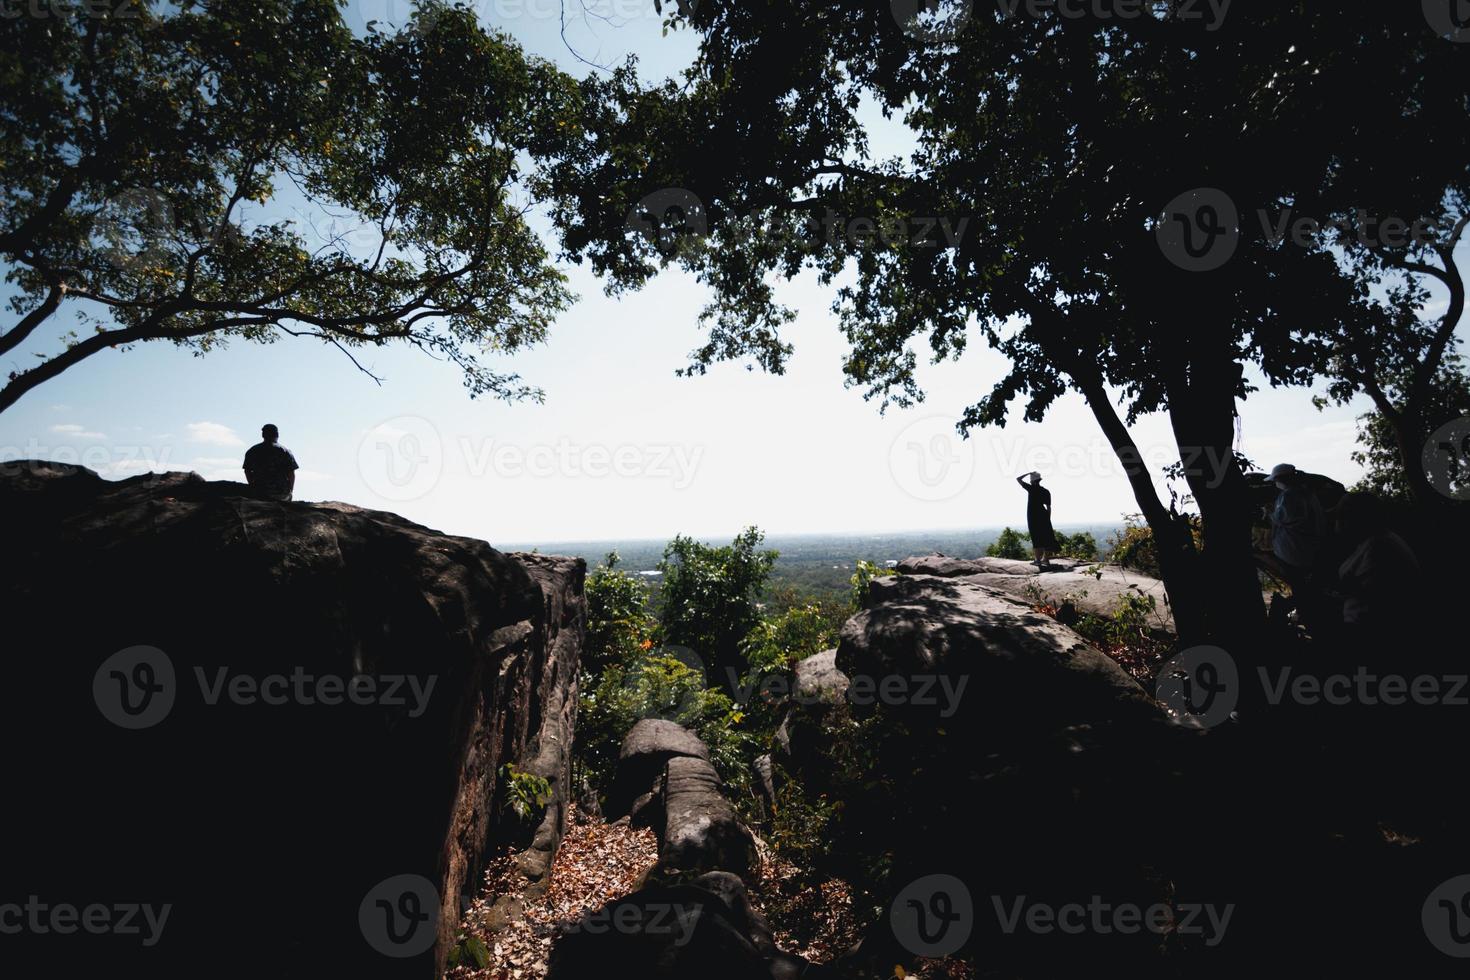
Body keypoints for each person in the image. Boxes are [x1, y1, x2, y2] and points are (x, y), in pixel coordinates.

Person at [1329, 491, 1420, 632]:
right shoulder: (1375, 540)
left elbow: (1372, 596)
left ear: (1355, 519)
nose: (1335, 522)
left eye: (1339, 516)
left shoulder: (1378, 547)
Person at [1268, 463, 1327, 601]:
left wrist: (1269, 513)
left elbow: (1284, 518)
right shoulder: (1305, 493)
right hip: (1304, 551)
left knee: (1303, 593)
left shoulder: (1289, 496)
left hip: (1295, 554)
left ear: (1280, 479)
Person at [243, 423, 299, 501]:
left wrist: (252, 486)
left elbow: (247, 471)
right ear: (277, 434)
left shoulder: (252, 451)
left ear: (263, 435)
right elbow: (291, 473)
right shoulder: (285, 451)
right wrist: (290, 491)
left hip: (259, 492)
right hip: (281, 494)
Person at [1016, 471, 1060, 570]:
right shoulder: (1046, 491)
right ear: (1039, 480)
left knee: (1036, 537)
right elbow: (1048, 507)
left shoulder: (1031, 488)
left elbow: (1018, 479)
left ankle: (1038, 560)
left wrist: (1027, 473)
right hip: (1043, 516)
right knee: (1047, 537)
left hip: (1033, 516)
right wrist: (1048, 519)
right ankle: (1046, 559)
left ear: (1032, 481)